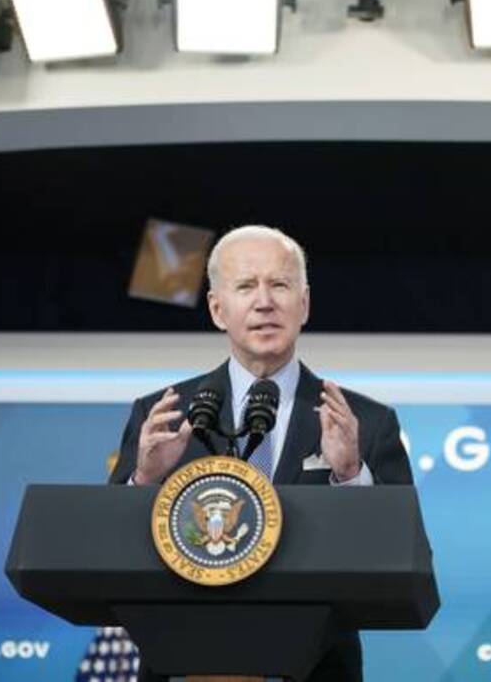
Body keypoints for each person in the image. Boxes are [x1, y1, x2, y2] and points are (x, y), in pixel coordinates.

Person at [110, 224, 412, 682]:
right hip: (183, 664)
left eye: (280, 285)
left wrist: (351, 474)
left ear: (304, 304)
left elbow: (401, 558)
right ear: (217, 309)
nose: (264, 301)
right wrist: (145, 482)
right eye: (246, 286)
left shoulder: (364, 423)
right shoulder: (163, 415)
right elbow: (108, 554)